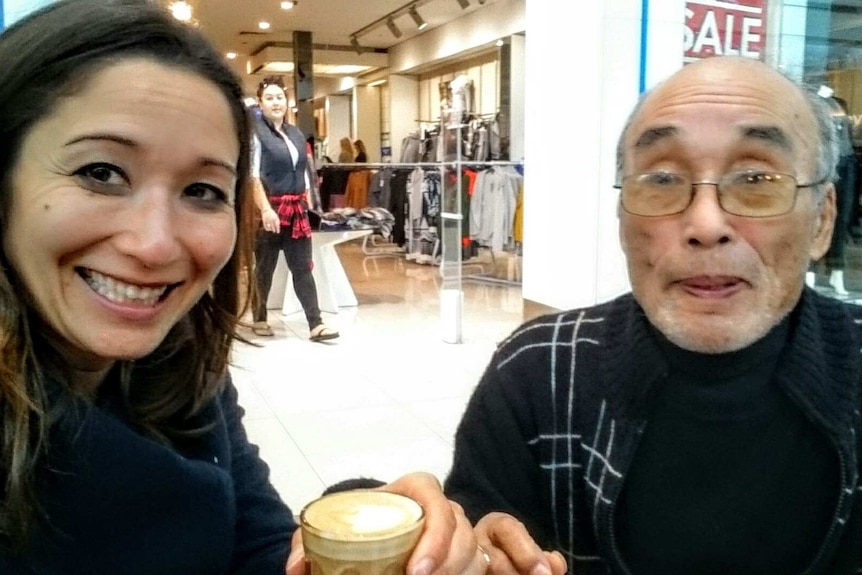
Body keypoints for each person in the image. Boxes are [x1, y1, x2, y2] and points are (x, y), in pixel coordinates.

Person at [0, 1, 489, 573]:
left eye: (203, 191)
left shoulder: (185, 368)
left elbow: (257, 542)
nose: (155, 245)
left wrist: (368, 533)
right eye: (101, 173)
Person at [445, 55, 862, 575]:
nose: (706, 224)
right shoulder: (538, 373)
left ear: (822, 220)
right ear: (621, 220)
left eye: (756, 177)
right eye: (662, 179)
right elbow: (470, 533)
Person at [251, 75, 338, 341]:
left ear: (286, 101)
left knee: (302, 266)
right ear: (261, 103)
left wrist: (312, 205)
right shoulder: (256, 134)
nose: (276, 103)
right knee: (264, 268)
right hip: (269, 211)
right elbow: (252, 176)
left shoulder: (296, 134)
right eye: (270, 98)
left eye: (280, 97)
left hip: (296, 210)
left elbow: (306, 174)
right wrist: (265, 209)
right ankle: (260, 317)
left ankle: (316, 323)